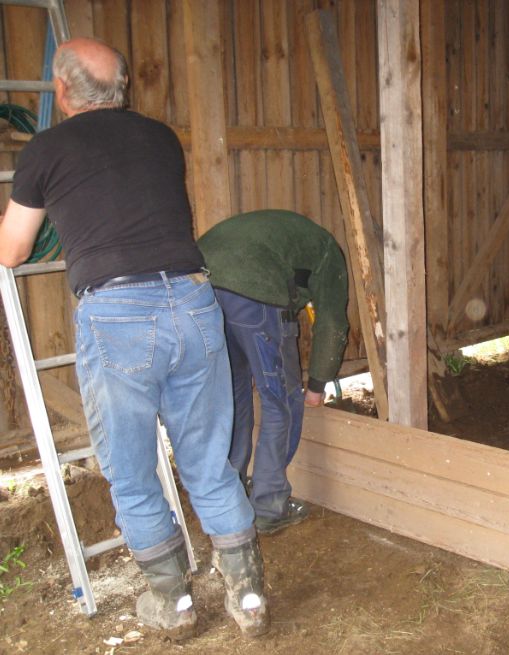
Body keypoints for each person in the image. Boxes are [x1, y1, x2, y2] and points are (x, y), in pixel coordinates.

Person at [0, 38, 267, 640]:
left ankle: (174, 605)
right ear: (121, 89)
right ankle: (249, 599)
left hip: (119, 313)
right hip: (194, 302)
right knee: (210, 464)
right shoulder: (160, 138)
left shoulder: (46, 150)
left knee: (132, 472)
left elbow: (11, 250)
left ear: (61, 91)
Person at [197, 209, 350, 535]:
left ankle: (231, 495)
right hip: (253, 288)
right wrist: (316, 386)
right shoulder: (328, 253)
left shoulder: (280, 234)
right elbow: (332, 321)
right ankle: (269, 505)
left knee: (232, 397)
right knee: (282, 400)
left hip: (200, 287)